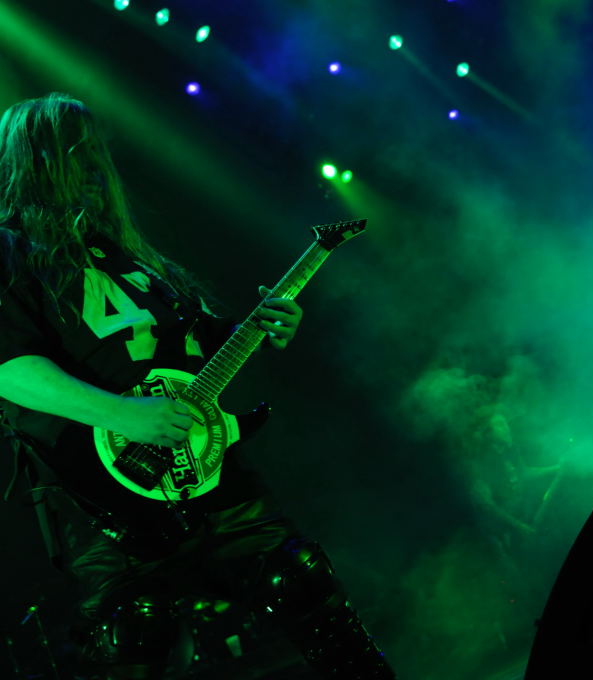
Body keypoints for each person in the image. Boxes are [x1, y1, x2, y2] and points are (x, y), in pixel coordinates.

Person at [0, 93, 395, 679]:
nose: (93, 167)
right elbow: (8, 368)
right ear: (35, 159)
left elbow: (202, 352)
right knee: (135, 631)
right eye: (74, 152)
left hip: (205, 468)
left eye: (95, 153)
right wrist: (120, 414)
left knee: (298, 576)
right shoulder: (8, 251)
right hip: (98, 496)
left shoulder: (133, 260)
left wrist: (264, 327)